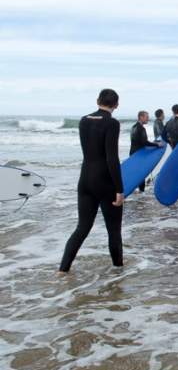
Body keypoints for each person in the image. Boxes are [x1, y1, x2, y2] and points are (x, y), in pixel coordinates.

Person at [59, 89, 124, 274]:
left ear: (97, 101)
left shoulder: (83, 120)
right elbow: (112, 158)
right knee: (114, 230)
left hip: (85, 179)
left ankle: (62, 271)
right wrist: (119, 189)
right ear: (116, 105)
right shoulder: (112, 123)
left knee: (82, 228)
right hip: (105, 182)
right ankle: (118, 272)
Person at [130, 111, 163, 192]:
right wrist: (157, 145)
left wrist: (154, 143)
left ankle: (137, 190)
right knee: (141, 174)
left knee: (137, 173)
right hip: (139, 154)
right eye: (146, 117)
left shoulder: (133, 126)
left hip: (133, 153)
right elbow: (145, 142)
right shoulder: (141, 128)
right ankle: (142, 192)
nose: (148, 118)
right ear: (141, 117)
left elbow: (140, 141)